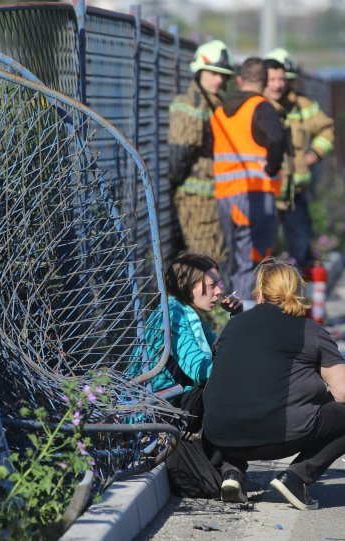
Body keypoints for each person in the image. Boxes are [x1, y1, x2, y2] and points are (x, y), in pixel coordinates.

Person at [203, 257, 345, 507]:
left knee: (236, 402)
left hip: (221, 437)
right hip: (282, 437)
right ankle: (296, 478)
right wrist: (316, 405)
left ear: (260, 295)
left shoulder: (233, 327)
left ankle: (231, 473)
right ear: (297, 293)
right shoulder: (310, 330)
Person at [129, 251, 241, 431]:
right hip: (154, 411)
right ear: (189, 286)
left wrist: (236, 316)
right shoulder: (175, 315)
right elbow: (200, 370)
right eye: (212, 285)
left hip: (167, 402)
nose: (219, 291)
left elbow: (220, 349)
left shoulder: (182, 309)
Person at [209, 57, 285, 306]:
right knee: (256, 262)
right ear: (264, 82)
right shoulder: (261, 107)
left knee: (236, 262)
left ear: (240, 80)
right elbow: (276, 139)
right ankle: (250, 323)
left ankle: (235, 318)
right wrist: (273, 168)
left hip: (225, 197)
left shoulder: (219, 112)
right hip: (255, 195)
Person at [263, 48, 335, 268]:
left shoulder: (303, 106)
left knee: (301, 246)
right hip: (266, 192)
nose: (279, 85)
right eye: (272, 79)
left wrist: (314, 154)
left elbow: (327, 129)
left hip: (295, 192)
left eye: (284, 80)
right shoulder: (258, 106)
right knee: (265, 252)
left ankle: (300, 296)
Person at [168, 40, 234, 264]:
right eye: (213, 73)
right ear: (199, 70)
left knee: (218, 260)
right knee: (206, 262)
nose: (219, 80)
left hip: (220, 196)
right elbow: (179, 155)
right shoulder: (189, 104)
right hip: (197, 200)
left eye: (223, 75)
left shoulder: (218, 103)